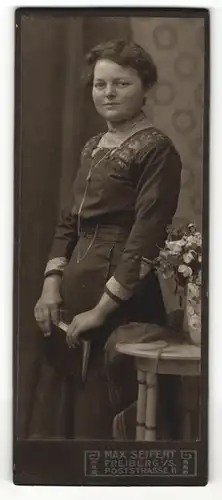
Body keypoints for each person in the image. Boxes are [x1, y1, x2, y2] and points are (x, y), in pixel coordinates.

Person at [33, 39, 182, 439]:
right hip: (72, 294)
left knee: (103, 414)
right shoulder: (92, 146)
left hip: (121, 300)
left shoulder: (157, 151)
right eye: (101, 84)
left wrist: (101, 311)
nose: (109, 93)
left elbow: (145, 238)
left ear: (145, 85)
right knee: (64, 413)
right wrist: (50, 287)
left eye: (121, 83)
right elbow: (69, 223)